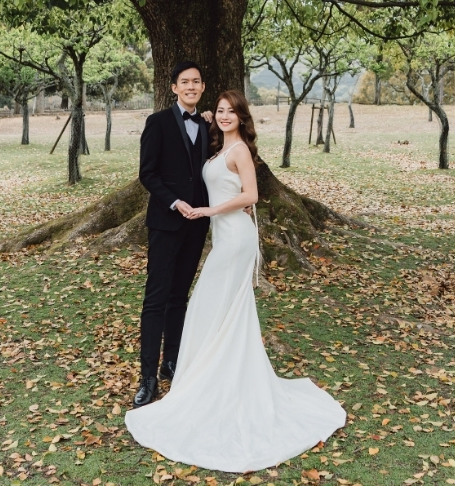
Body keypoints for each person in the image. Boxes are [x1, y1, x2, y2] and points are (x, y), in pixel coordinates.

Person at [125, 90, 346, 472]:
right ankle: (205, 372)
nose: (225, 116)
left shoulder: (240, 150)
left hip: (236, 240)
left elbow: (253, 194)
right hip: (223, 237)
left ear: (243, 118)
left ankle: (215, 379)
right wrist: (210, 117)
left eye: (232, 112)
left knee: (211, 305)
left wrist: (210, 209)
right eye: (222, 111)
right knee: (218, 309)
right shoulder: (215, 143)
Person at [133, 61, 212, 408]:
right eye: (185, 82)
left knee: (180, 296)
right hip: (166, 223)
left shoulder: (210, 125)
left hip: (197, 226)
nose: (191, 86)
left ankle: (172, 362)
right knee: (156, 300)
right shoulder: (158, 123)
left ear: (202, 87)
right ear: (174, 88)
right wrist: (174, 202)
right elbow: (147, 174)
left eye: (196, 81)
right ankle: (147, 378)